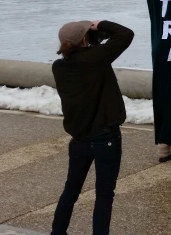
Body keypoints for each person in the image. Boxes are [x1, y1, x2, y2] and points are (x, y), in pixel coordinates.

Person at [51, 20, 134, 235]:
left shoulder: (59, 67)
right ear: (85, 39)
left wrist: (92, 39)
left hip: (78, 140)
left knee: (70, 191)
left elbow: (82, 57)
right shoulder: (96, 59)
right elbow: (126, 34)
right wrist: (100, 24)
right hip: (105, 137)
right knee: (104, 195)